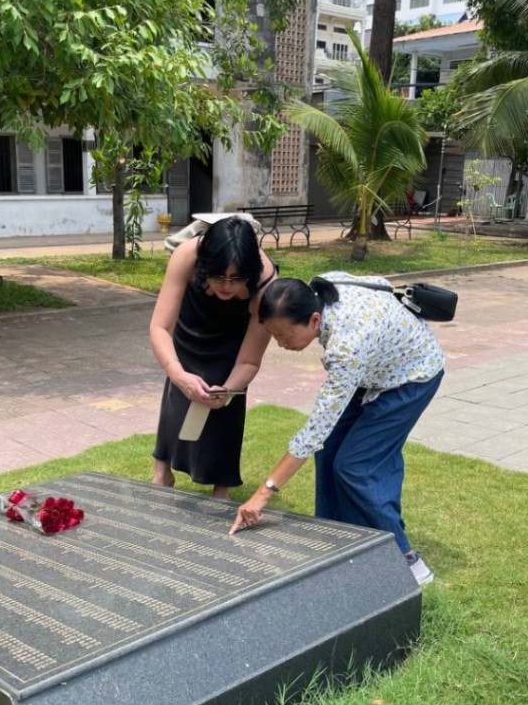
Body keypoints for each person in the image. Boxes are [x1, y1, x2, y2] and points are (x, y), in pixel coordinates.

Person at [229, 272, 445, 586]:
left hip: (412, 376)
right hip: (374, 367)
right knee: (329, 450)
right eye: (274, 336)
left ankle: (406, 560)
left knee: (358, 467)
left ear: (314, 320)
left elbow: (314, 431)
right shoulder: (321, 288)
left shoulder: (346, 346)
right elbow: (381, 284)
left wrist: (262, 495)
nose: (281, 344)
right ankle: (335, 541)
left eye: (285, 335)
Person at [150, 215, 277, 498]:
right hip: (191, 327)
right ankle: (162, 473)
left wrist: (228, 389)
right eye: (219, 276)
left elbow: (249, 361)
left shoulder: (265, 282)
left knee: (226, 407)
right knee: (177, 395)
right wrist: (177, 373)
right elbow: (159, 327)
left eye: (237, 278)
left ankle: (222, 488)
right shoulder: (187, 255)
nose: (227, 286)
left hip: (234, 341)